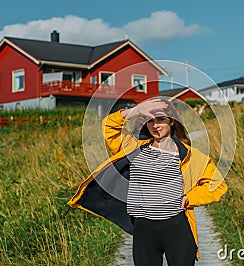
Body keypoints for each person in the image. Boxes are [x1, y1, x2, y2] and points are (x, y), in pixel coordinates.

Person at [68, 98, 228, 265]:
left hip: (177, 227)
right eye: (150, 120)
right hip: (144, 229)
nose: (155, 125)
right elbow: (109, 126)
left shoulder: (190, 156)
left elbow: (217, 184)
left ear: (172, 121)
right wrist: (134, 111)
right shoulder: (133, 146)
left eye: (160, 119)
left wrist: (189, 198)